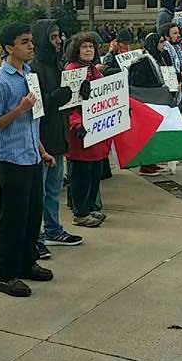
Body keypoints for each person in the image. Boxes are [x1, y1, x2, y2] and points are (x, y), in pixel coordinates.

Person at [0, 22, 56, 298]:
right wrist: (19, 109)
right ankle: (6, 272)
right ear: (8, 48)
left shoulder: (29, 75)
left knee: (31, 214)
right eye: (24, 42)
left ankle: (27, 262)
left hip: (31, 156)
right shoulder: (0, 82)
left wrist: (42, 150)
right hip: (11, 159)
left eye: (30, 41)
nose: (31, 46)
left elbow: (33, 122)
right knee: (13, 218)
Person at [30, 19, 83, 260]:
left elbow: (64, 100)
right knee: (39, 191)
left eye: (59, 36)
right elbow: (35, 107)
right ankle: (36, 236)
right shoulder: (35, 68)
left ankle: (53, 229)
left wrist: (78, 94)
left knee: (53, 188)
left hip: (58, 134)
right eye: (53, 37)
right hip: (42, 138)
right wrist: (56, 97)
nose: (59, 40)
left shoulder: (57, 64)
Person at [65, 32, 109, 228]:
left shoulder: (94, 71)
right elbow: (68, 104)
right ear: (77, 50)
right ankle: (80, 212)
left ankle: (90, 207)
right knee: (81, 174)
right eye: (84, 47)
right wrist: (77, 124)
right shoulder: (72, 71)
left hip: (96, 131)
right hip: (80, 132)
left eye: (91, 46)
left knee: (94, 172)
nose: (89, 49)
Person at [129, 33, 170, 177]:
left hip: (155, 98)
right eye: (160, 43)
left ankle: (152, 162)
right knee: (146, 134)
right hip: (146, 100)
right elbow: (139, 82)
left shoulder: (158, 58)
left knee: (153, 134)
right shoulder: (143, 61)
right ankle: (146, 165)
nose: (163, 45)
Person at [161, 22, 182, 116]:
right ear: (166, 36)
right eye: (174, 33)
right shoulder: (165, 51)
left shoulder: (177, 47)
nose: (178, 35)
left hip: (181, 86)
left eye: (178, 33)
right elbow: (167, 71)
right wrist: (180, 76)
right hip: (172, 90)